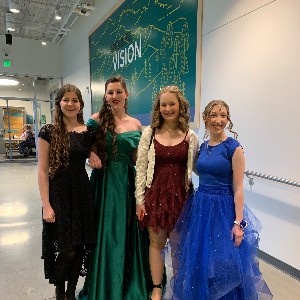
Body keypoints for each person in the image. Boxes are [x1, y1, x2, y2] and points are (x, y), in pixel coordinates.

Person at [166, 100, 273, 299]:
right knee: (201, 260)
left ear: (228, 119)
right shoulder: (203, 146)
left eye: (223, 115)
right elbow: (196, 169)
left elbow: (239, 189)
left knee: (224, 260)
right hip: (201, 207)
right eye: (214, 115)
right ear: (205, 118)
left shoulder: (234, 148)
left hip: (224, 209)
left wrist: (238, 223)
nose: (219, 120)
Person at [78, 75, 152, 300]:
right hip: (105, 184)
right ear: (105, 96)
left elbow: (137, 158)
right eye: (110, 92)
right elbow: (83, 146)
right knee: (107, 234)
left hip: (128, 184)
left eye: (119, 92)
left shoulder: (136, 124)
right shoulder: (95, 120)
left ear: (126, 94)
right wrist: (91, 152)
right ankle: (105, 284)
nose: (114, 96)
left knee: (128, 232)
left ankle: (129, 284)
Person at [135, 86, 199, 300]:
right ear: (158, 108)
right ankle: (157, 287)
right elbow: (141, 169)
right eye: (163, 104)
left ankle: (179, 285)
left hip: (182, 198)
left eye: (172, 104)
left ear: (180, 106)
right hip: (155, 197)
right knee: (156, 243)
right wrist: (139, 201)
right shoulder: (149, 133)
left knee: (178, 246)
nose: (168, 108)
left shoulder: (191, 136)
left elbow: (201, 166)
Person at [38, 84, 96, 300]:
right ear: (59, 103)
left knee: (79, 247)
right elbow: (42, 171)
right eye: (66, 100)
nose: (70, 104)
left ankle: (71, 292)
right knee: (66, 249)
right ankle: (60, 291)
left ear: (81, 104)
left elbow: (90, 151)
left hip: (82, 193)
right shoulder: (49, 131)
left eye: (75, 100)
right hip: (59, 194)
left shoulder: (88, 131)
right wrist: (46, 204)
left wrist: (93, 153)